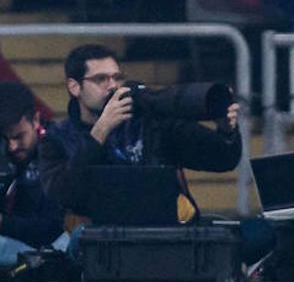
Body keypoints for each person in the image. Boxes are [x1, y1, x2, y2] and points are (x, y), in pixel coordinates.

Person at [39, 44, 242, 224]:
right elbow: (63, 194)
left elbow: (221, 160)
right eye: (101, 79)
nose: (112, 86)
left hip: (159, 231)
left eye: (116, 77)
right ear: (74, 87)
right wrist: (100, 132)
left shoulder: (148, 123)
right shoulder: (56, 138)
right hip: (97, 240)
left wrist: (226, 130)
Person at [1, 82, 66, 268]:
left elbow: (53, 227)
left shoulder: (57, 150)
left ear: (36, 120)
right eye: (5, 138)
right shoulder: (5, 156)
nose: (12, 146)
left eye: (19, 137)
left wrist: (3, 223)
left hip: (51, 247)